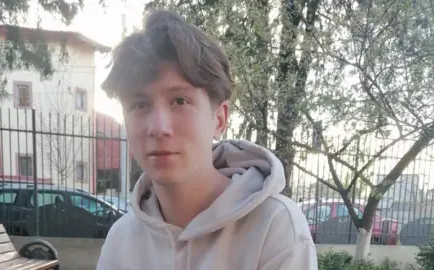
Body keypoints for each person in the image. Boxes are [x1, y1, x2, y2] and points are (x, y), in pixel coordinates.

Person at [96, 9, 317, 270]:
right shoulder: (121, 240)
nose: (158, 127)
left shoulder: (275, 227)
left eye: (180, 100)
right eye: (139, 104)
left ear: (219, 119)